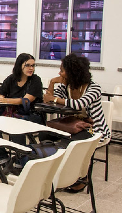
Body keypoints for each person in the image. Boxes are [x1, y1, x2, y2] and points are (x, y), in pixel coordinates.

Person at [43, 53, 110, 192]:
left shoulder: (94, 88)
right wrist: (52, 83)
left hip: (94, 130)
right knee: (45, 135)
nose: (59, 73)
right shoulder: (64, 86)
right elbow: (50, 102)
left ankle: (81, 177)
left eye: (62, 70)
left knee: (73, 144)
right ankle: (54, 172)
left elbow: (79, 104)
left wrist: (55, 99)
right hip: (71, 127)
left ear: (73, 72)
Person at [0, 53, 44, 169]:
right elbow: (0, 93)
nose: (31, 68)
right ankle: (3, 157)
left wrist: (6, 100)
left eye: (33, 65)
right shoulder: (11, 79)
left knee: (16, 124)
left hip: (31, 114)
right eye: (27, 65)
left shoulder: (36, 80)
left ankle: (20, 158)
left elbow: (26, 100)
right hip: (12, 114)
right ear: (19, 65)